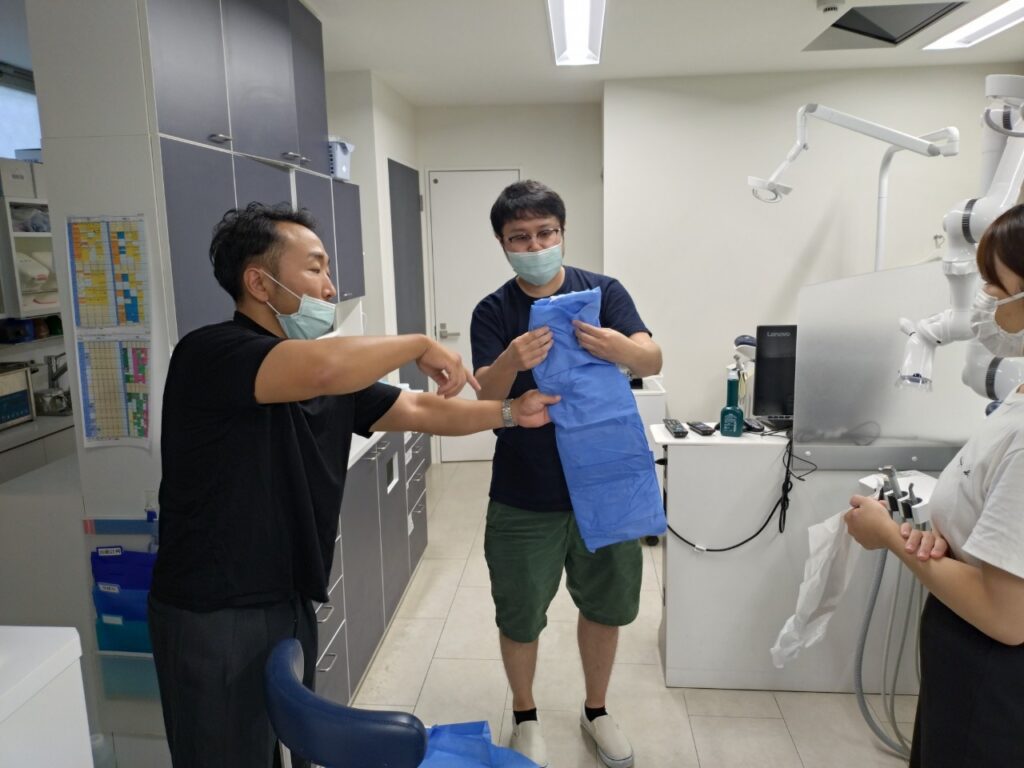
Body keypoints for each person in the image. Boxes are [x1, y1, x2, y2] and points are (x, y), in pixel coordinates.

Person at [147, 202, 558, 768]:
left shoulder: (327, 372)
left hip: (288, 593)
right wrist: (418, 343)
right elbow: (322, 367)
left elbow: (418, 409)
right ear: (259, 283)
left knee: (284, 743)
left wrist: (511, 412)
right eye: (315, 268)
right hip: (213, 609)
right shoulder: (211, 352)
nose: (330, 286)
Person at [470, 180, 662, 768]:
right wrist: (513, 360)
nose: (535, 246)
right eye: (520, 238)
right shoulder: (494, 311)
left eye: (544, 233)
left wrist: (617, 347)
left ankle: (596, 710)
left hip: (606, 484)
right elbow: (486, 397)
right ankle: (525, 715)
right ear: (503, 244)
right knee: (521, 611)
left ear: (562, 232)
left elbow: (651, 357)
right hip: (526, 492)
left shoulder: (602, 293)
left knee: (606, 605)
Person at [845, 203, 1024, 767]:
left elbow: (1006, 616)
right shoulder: (1017, 398)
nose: (984, 299)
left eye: (997, 286)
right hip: (963, 652)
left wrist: (889, 536)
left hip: (994, 679)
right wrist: (945, 547)